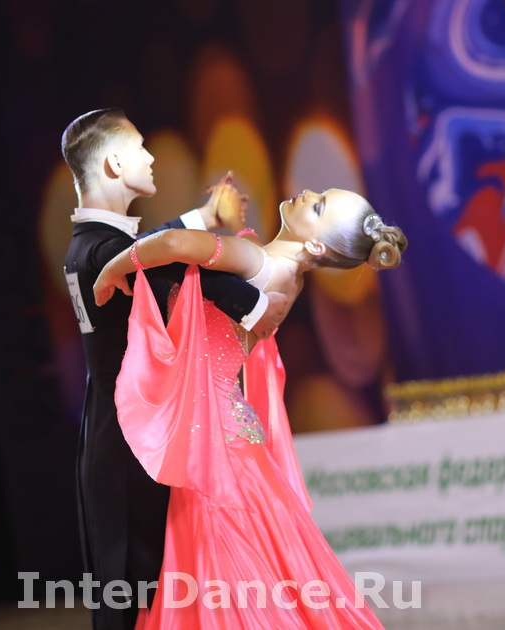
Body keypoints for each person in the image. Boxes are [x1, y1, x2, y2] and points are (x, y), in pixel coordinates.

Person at [93, 185, 406, 628]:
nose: (307, 193)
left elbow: (173, 243)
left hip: (212, 440)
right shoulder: (286, 276)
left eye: (318, 206)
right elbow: (212, 262)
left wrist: (113, 266)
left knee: (224, 574)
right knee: (259, 572)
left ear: (317, 246)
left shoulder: (257, 261)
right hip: (234, 437)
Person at [61, 109, 288, 630]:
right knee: (141, 600)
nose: (151, 157)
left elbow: (155, 246)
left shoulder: (91, 245)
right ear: (115, 163)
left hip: (118, 439)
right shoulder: (106, 251)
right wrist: (255, 304)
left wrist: (201, 217)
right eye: (140, 147)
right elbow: (172, 262)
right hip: (131, 451)